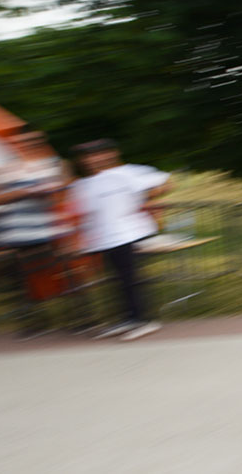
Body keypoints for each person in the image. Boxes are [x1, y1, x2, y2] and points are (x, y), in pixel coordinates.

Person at [70, 139, 171, 341]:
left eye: (98, 154)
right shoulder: (87, 183)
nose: (93, 160)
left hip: (128, 234)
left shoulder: (128, 173)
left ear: (111, 154)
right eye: (88, 157)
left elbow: (166, 183)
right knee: (116, 281)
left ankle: (143, 320)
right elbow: (85, 213)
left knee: (130, 280)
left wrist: (144, 199)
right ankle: (128, 318)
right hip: (103, 239)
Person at [0, 127, 74, 337]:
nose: (27, 145)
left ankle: (76, 319)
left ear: (40, 141)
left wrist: (52, 190)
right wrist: (25, 191)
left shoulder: (56, 164)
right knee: (21, 280)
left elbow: (66, 190)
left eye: (32, 140)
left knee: (67, 274)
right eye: (22, 141)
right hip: (17, 232)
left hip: (54, 229)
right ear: (14, 144)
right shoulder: (4, 168)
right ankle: (33, 323)